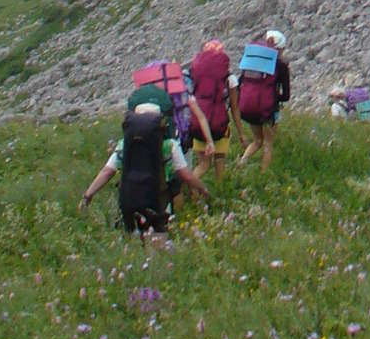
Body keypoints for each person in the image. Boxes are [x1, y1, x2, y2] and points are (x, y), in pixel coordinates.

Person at [79, 90, 207, 234]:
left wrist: (88, 195)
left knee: (133, 239)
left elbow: (107, 172)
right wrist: (203, 189)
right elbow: (186, 176)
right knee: (158, 239)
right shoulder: (169, 145)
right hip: (158, 199)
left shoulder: (124, 145)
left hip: (129, 199)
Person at [235, 27, 292, 172]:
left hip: (248, 108)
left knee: (257, 140)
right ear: (279, 48)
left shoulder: (251, 61)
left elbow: (240, 83)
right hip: (268, 111)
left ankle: (241, 163)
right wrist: (275, 98)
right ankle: (263, 174)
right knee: (268, 144)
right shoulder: (281, 66)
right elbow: (286, 96)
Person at [188, 38, 232, 180]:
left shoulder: (195, 75)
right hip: (220, 123)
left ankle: (191, 188)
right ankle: (221, 189)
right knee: (220, 160)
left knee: (203, 164)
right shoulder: (228, 77)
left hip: (198, 122)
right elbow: (234, 104)